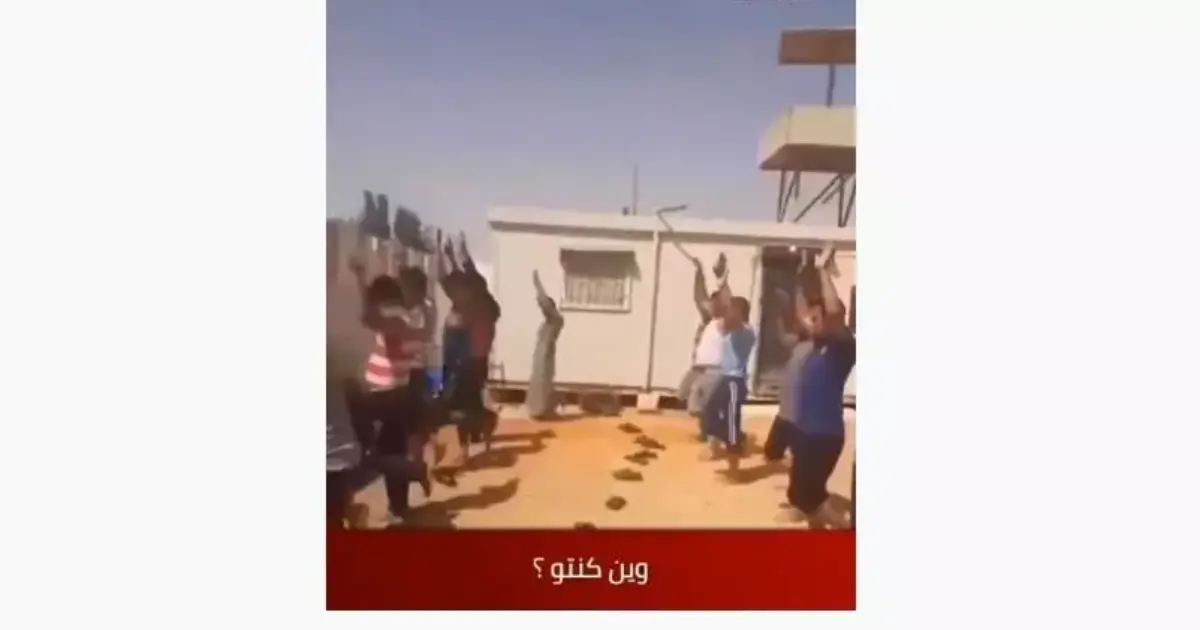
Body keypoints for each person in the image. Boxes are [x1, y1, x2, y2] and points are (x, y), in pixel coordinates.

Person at [350, 258, 432, 523]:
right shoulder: (408, 317)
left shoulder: (394, 320)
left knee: (364, 451)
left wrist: (360, 278)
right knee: (391, 449)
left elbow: (369, 317)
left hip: (384, 395)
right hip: (399, 394)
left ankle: (413, 470)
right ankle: (398, 507)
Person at [784, 243, 856, 529]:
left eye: (817, 318)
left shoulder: (843, 347)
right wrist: (802, 275)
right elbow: (803, 313)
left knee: (811, 497)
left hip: (824, 435)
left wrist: (823, 272)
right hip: (805, 431)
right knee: (802, 496)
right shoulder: (814, 344)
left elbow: (835, 312)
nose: (810, 322)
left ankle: (845, 532)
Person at [437, 236, 501, 468]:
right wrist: (454, 256)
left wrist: (448, 255)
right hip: (476, 363)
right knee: (469, 405)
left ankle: (468, 447)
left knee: (460, 408)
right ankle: (483, 428)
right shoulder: (489, 307)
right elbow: (464, 278)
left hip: (465, 363)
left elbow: (452, 280)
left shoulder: (472, 308)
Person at [763, 258, 817, 463]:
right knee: (772, 454)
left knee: (799, 457)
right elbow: (784, 337)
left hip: (799, 417)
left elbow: (803, 316)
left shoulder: (816, 345)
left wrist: (799, 289)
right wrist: (779, 313)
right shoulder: (799, 343)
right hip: (785, 414)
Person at [700, 295, 757, 471]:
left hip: (735, 382)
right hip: (725, 379)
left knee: (732, 421)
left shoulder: (747, 331)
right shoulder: (731, 328)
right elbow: (721, 322)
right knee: (708, 413)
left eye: (733, 309)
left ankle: (734, 466)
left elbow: (728, 324)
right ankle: (737, 439)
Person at [680, 254, 731, 439]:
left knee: (703, 402)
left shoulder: (724, 321)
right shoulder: (708, 318)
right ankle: (709, 431)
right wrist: (699, 273)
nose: (709, 305)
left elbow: (726, 301)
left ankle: (717, 432)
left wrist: (722, 279)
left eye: (714, 302)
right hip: (700, 367)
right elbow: (699, 297)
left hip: (715, 370)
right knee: (689, 396)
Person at [526, 270, 565, 419]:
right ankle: (540, 411)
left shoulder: (556, 320)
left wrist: (538, 285)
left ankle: (543, 411)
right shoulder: (547, 323)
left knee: (544, 384)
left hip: (546, 356)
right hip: (540, 356)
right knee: (539, 384)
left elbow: (545, 304)